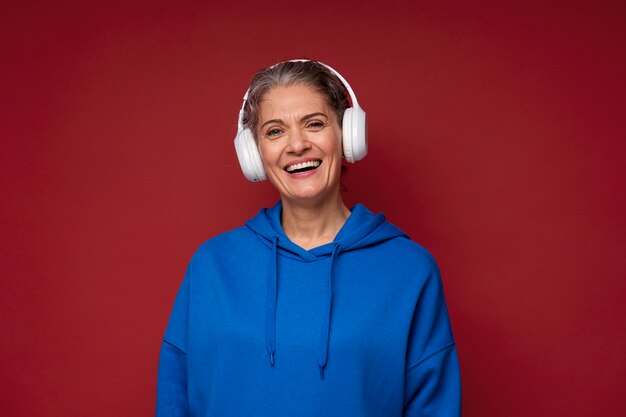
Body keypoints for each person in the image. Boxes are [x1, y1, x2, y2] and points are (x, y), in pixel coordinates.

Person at [155, 59, 461, 417]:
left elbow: (433, 407)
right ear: (254, 153)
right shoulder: (212, 266)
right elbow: (175, 400)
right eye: (274, 131)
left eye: (314, 124)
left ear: (347, 134)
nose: (297, 145)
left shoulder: (410, 270)